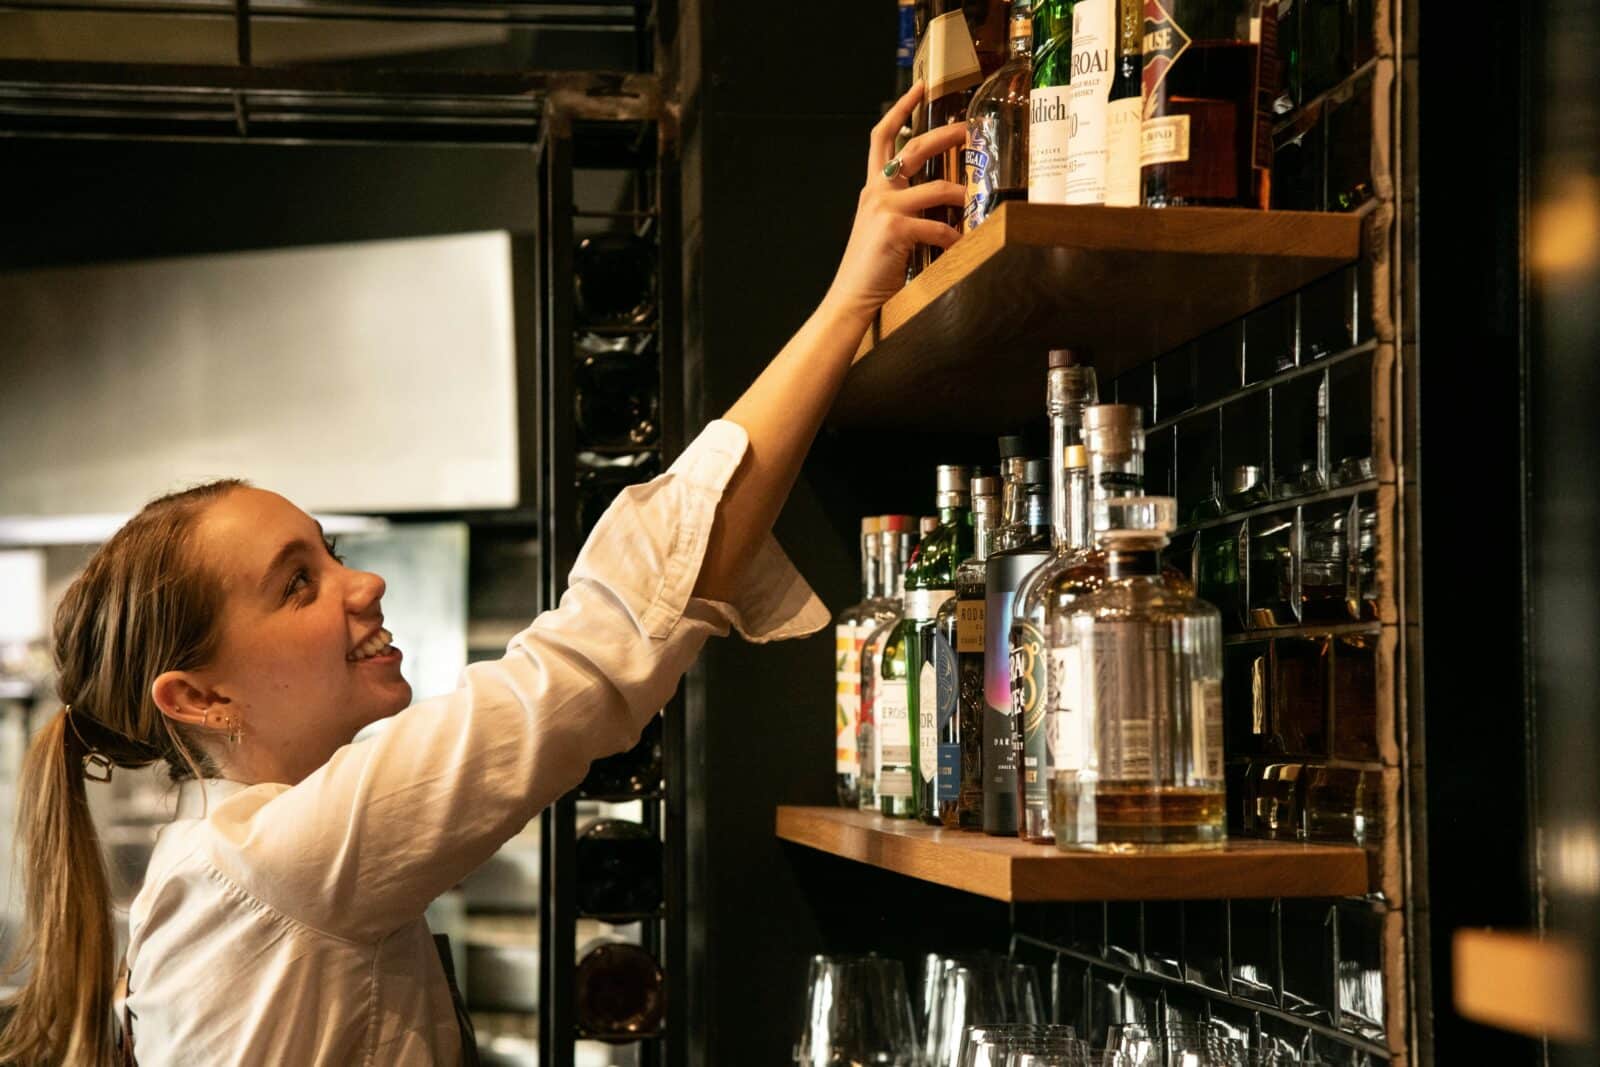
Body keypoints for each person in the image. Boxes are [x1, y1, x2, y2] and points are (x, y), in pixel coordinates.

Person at [0, 83, 967, 1067]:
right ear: (198, 695)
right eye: (296, 581)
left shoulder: (242, 860)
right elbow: (600, 643)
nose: (362, 583)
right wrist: (851, 298)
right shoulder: (279, 859)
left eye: (330, 551)